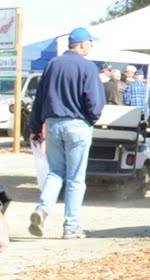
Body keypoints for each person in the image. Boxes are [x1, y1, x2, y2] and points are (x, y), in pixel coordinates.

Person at [28, 27, 108, 240]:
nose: (91, 47)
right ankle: (70, 226)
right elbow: (94, 100)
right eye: (90, 43)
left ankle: (42, 209)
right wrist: (92, 118)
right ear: (82, 44)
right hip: (77, 124)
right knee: (75, 178)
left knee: (55, 172)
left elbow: (39, 97)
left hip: (53, 123)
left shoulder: (52, 64)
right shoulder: (88, 67)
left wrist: (35, 127)